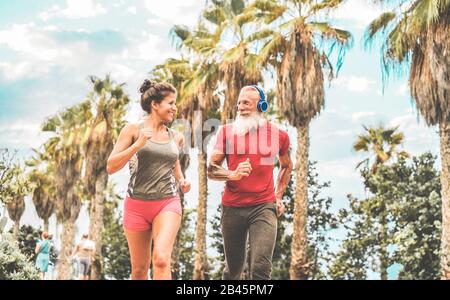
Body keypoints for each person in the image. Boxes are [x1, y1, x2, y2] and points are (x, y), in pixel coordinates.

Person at [107, 79, 191, 280]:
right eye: (170, 103)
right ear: (155, 105)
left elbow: (172, 162)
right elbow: (111, 166)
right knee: (139, 270)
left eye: (175, 103)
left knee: (161, 260)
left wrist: (181, 180)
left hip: (167, 202)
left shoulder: (176, 136)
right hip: (136, 205)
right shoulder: (133, 130)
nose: (174, 108)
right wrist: (137, 145)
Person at [207, 85, 293, 280]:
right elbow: (211, 169)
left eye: (246, 102)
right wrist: (232, 174)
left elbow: (287, 166)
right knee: (233, 270)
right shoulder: (227, 132)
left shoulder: (279, 135)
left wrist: (278, 197)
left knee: (261, 268)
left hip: (263, 206)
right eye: (238, 103)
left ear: (261, 106)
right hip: (232, 208)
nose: (240, 107)